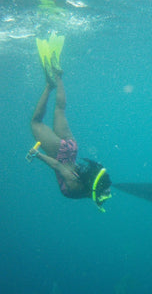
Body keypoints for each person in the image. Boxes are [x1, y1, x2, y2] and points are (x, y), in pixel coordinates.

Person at [29, 33, 111, 211]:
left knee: (60, 109)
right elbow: (58, 165)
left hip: (72, 148)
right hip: (60, 154)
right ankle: (49, 86)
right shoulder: (77, 190)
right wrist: (37, 155)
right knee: (35, 122)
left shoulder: (86, 183)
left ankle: (58, 76)